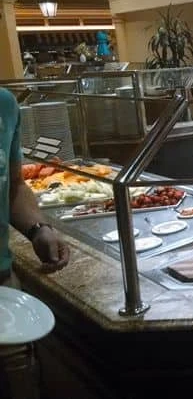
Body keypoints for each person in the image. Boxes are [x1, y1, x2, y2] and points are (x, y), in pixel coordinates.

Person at [0, 87, 70, 399]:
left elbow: (13, 185)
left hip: (2, 286)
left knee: (18, 382)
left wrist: (38, 228)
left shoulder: (4, 104)